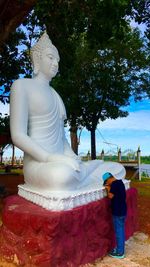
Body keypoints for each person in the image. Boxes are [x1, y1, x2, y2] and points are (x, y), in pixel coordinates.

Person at [10, 32, 126, 197]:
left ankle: (84, 172)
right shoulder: (21, 86)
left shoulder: (56, 94)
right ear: (37, 58)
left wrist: (72, 156)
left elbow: (62, 137)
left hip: (63, 162)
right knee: (62, 176)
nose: (55, 63)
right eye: (50, 57)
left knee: (118, 169)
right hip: (40, 164)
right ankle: (87, 173)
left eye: (57, 60)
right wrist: (51, 158)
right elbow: (18, 135)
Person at [102, 172, 127, 259]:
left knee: (119, 232)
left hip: (118, 212)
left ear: (108, 179)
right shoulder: (120, 182)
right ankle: (120, 249)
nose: (106, 184)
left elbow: (110, 196)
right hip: (123, 210)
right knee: (121, 230)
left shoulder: (114, 185)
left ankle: (120, 253)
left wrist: (108, 188)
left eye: (106, 182)